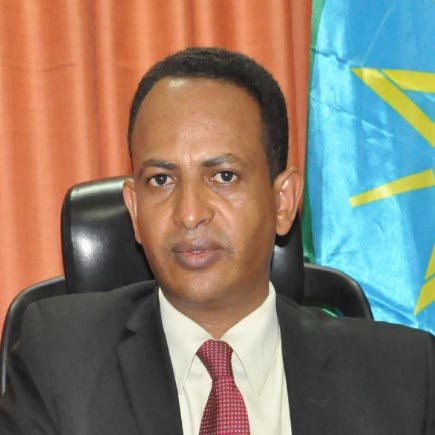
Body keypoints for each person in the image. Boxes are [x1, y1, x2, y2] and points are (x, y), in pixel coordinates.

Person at [0, 47, 433, 435]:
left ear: (283, 201)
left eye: (224, 176)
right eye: (161, 180)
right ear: (134, 210)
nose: (189, 213)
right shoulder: (59, 358)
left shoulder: (405, 375)